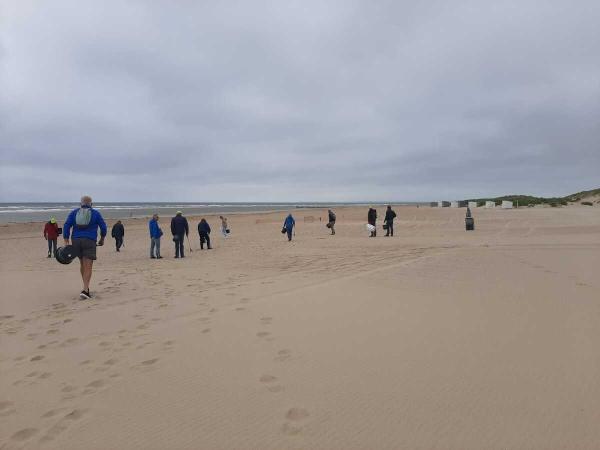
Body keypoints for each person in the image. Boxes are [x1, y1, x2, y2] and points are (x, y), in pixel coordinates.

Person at [63, 195, 107, 300]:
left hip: (76, 240)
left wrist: (66, 240)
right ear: (91, 204)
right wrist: (102, 238)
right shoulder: (95, 213)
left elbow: (66, 225)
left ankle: (85, 287)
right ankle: (86, 289)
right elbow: (103, 227)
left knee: (82, 264)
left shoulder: (74, 213)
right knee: (88, 265)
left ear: (81, 204)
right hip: (89, 240)